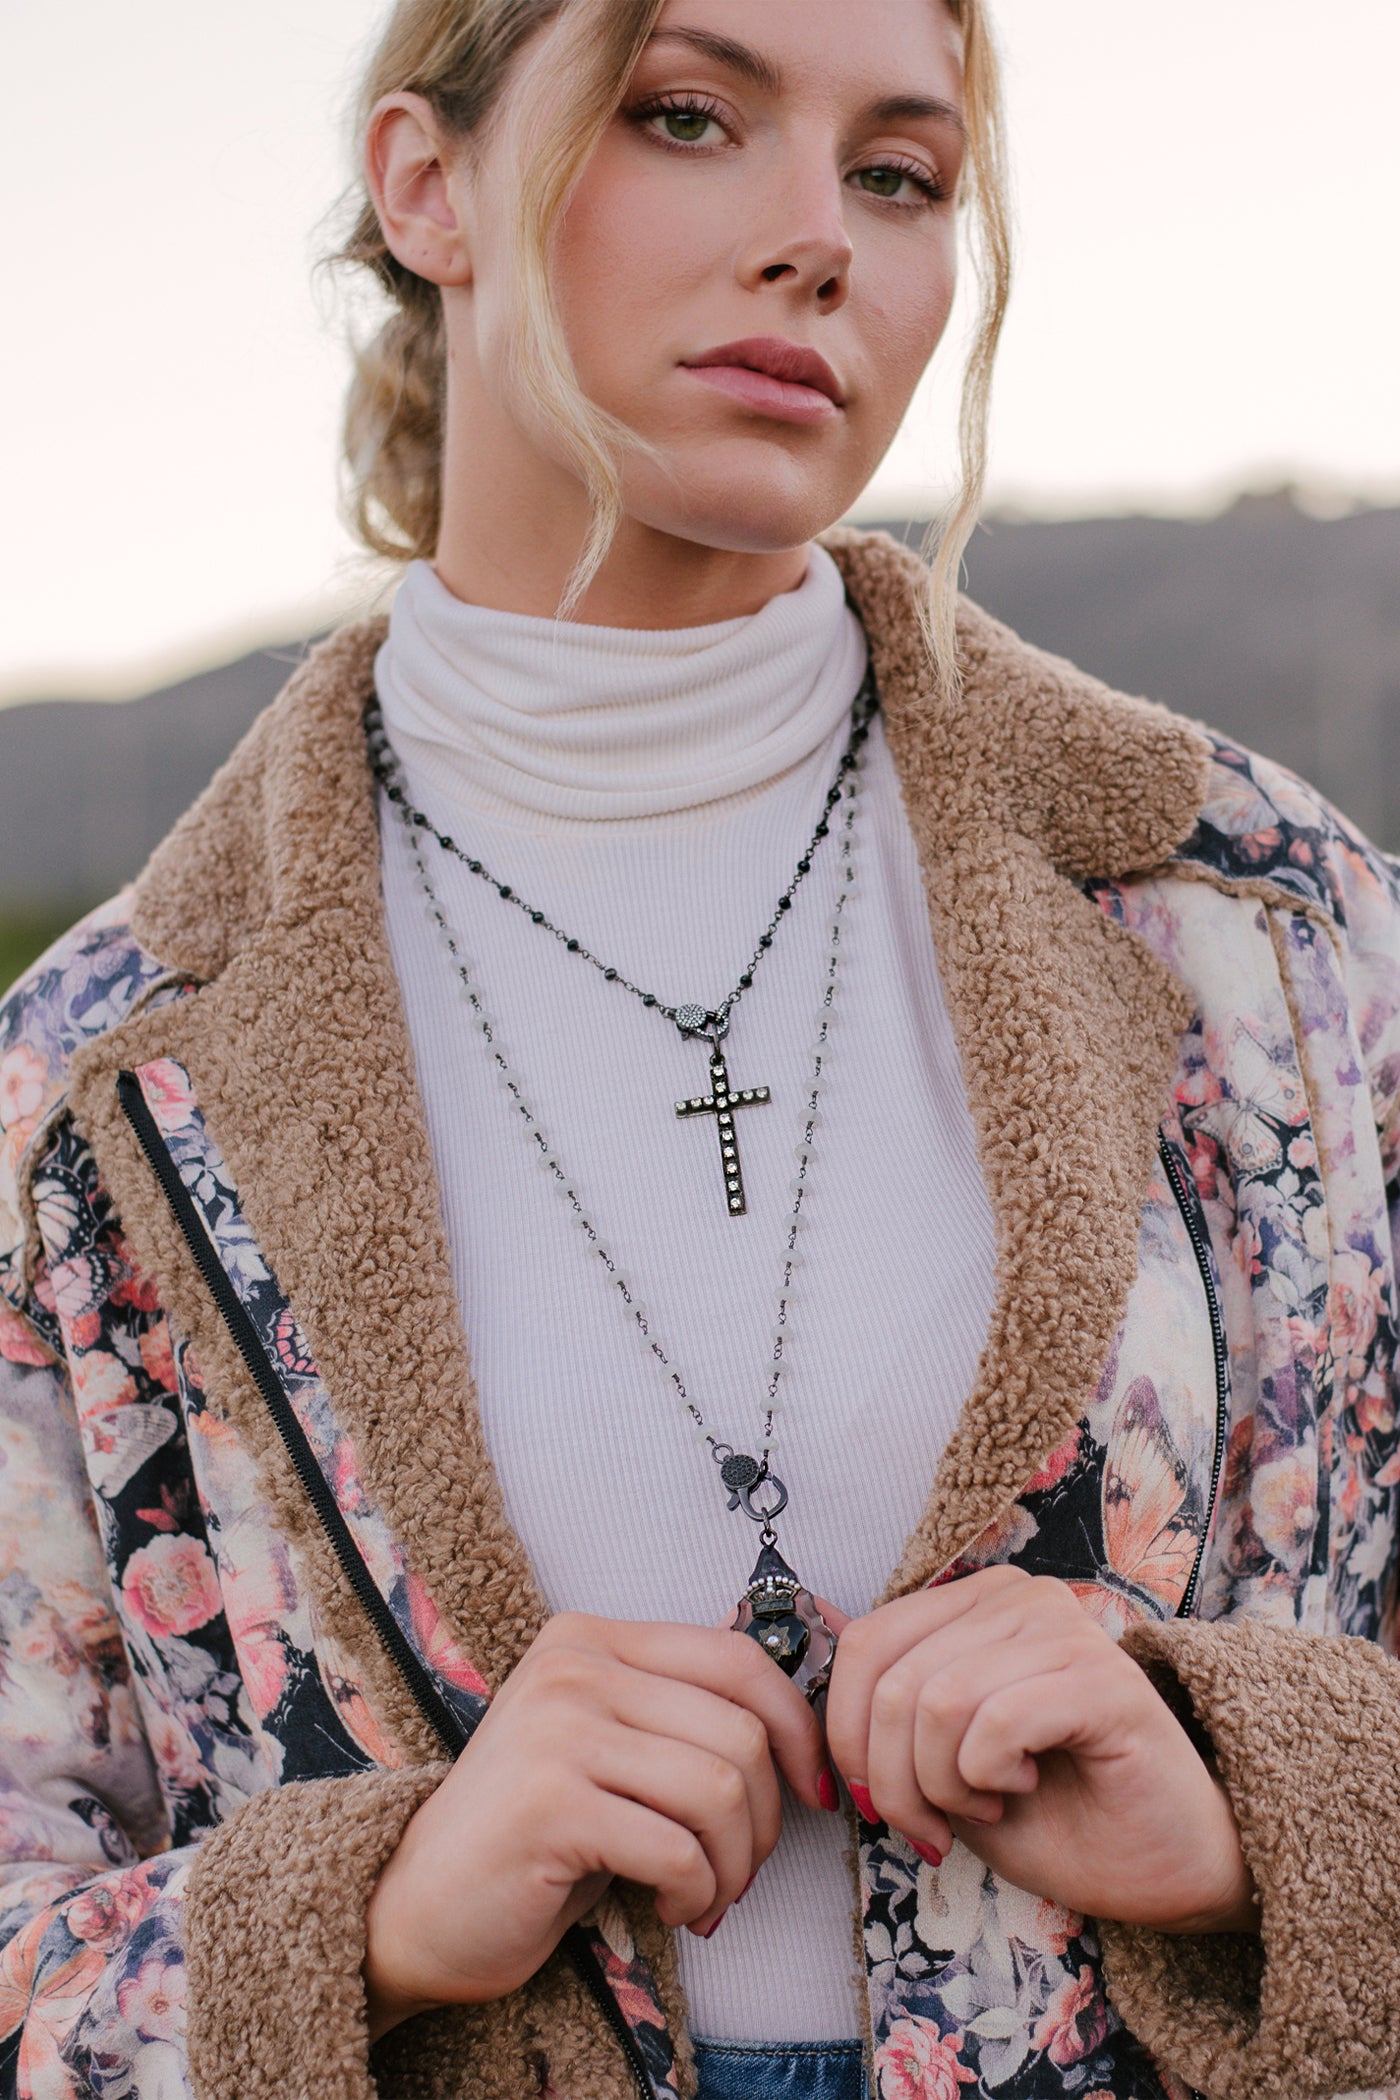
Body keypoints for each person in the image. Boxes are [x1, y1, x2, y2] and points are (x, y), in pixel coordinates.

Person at [1, 1, 1398, 2095]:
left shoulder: (1260, 923)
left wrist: (1255, 1817)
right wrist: (373, 1915)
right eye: (686, 114)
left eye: (900, 175)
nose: (813, 238)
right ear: (425, 182)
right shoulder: (100, 1086)